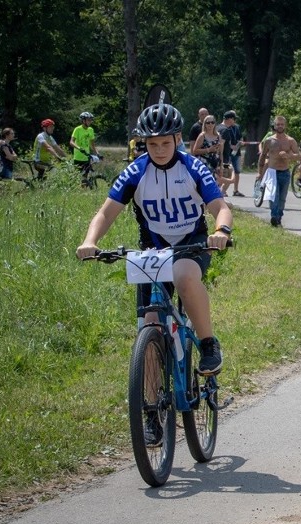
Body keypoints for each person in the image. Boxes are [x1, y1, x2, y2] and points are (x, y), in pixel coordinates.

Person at [75, 103, 232, 377]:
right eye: (152, 144)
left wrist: (220, 232)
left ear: (178, 139)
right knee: (150, 325)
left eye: (165, 143)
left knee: (183, 276)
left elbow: (221, 207)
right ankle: (152, 413)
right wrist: (90, 241)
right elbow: (106, 213)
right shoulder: (136, 171)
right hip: (153, 248)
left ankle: (209, 344)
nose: (159, 150)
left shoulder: (193, 167)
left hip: (190, 242)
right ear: (143, 143)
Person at [258, 115, 301, 227]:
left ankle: (279, 217)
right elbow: (262, 156)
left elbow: (298, 156)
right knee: (273, 196)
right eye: (278, 124)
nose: (280, 126)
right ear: (275, 125)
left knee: (282, 198)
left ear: (285, 125)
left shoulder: (290, 140)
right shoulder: (269, 140)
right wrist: (260, 172)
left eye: (282, 124)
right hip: (272, 172)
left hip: (285, 172)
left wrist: (288, 155)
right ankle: (274, 216)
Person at [191, 115, 225, 188]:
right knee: (205, 187)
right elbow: (195, 151)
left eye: (212, 122)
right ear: (204, 124)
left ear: (215, 124)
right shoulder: (202, 135)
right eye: (208, 123)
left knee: (215, 186)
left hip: (215, 164)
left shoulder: (218, 136)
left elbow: (221, 153)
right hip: (204, 165)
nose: (210, 124)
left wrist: (221, 167)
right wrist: (209, 150)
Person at [218, 110, 245, 197]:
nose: (234, 121)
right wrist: (221, 158)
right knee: (230, 175)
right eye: (234, 119)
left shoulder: (218, 127)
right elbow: (221, 145)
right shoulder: (225, 130)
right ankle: (220, 193)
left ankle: (220, 192)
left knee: (224, 174)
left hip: (223, 157)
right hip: (224, 158)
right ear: (229, 119)